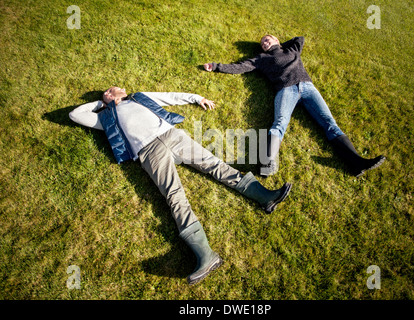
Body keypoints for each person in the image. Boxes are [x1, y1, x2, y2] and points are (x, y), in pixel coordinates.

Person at [69, 87, 292, 285]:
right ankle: (205, 255)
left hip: (172, 135)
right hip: (149, 153)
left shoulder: (138, 97)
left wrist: (196, 97)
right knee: (174, 196)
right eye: (108, 91)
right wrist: (103, 104)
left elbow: (168, 97)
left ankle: (265, 197)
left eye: (113, 88)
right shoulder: (106, 118)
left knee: (214, 165)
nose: (112, 90)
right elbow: (75, 115)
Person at [204, 35, 386, 177]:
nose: (264, 43)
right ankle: (267, 162)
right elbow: (240, 67)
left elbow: (300, 38)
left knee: (329, 123)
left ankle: (357, 162)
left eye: (267, 39)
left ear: (276, 39)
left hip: (308, 87)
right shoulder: (261, 58)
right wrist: (216, 66)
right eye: (262, 43)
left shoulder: (292, 49)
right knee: (280, 122)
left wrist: (279, 45)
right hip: (285, 90)